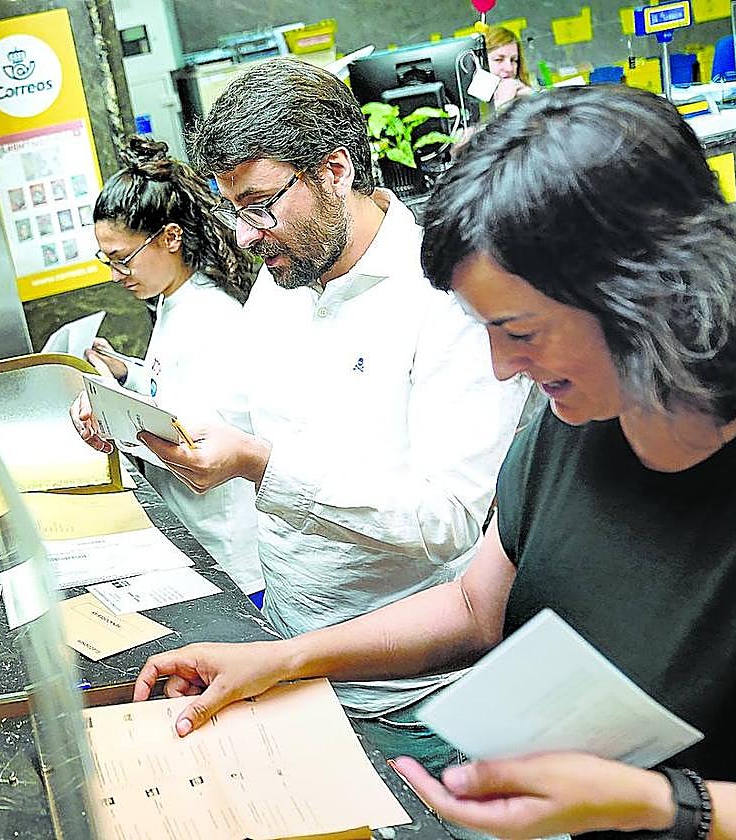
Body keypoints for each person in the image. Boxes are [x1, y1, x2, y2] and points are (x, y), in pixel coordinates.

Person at [130, 86, 736, 840]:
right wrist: (283, 661)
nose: (504, 368)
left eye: (521, 331)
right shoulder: (587, 418)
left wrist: (662, 805)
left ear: (641, 290)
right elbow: (477, 608)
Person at [133, 57, 529, 772]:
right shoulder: (285, 275)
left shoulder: (444, 295)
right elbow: (237, 410)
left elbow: (446, 521)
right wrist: (146, 417)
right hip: (294, 666)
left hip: (423, 700)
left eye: (259, 204)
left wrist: (260, 464)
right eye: (233, 210)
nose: (247, 235)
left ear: (335, 171)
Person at [72, 136, 265, 598]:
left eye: (123, 260)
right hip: (202, 538)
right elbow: (171, 389)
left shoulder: (211, 318)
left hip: (229, 552)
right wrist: (126, 375)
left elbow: (196, 440)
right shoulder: (174, 304)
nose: (118, 276)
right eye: (107, 261)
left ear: (171, 238)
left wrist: (113, 423)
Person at [485, 25, 533, 109]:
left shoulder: (521, 94)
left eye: (514, 60)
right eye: (498, 59)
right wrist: (502, 105)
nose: (509, 68)